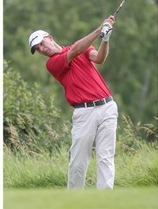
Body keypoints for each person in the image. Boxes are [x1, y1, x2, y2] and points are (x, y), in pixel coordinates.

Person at [28, 15, 118, 189]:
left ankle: (107, 202)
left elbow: (99, 58)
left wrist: (105, 39)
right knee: (78, 161)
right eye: (37, 49)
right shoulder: (53, 63)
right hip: (84, 113)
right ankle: (74, 201)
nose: (41, 49)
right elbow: (75, 50)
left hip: (107, 107)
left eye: (41, 43)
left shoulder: (82, 47)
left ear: (50, 38)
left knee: (105, 157)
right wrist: (101, 28)